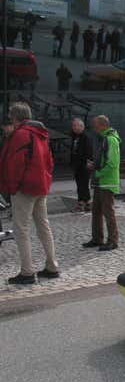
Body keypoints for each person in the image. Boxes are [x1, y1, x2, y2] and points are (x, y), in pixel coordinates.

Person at [0, 103, 59, 284]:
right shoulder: (40, 134)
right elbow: (49, 161)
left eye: (11, 117)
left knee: (21, 229)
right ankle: (52, 266)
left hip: (24, 189)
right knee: (43, 225)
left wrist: (10, 188)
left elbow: (14, 165)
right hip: (40, 186)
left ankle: (27, 271)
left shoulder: (20, 135)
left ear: (15, 117)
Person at [84, 115, 121, 252]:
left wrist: (97, 173)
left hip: (107, 183)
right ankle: (97, 238)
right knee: (96, 211)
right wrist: (95, 166)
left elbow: (112, 164)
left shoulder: (111, 140)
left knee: (108, 212)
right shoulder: (105, 138)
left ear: (103, 125)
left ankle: (113, 240)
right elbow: (106, 162)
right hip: (101, 182)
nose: (94, 128)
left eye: (96, 125)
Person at [70, 118, 93, 212]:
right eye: (73, 126)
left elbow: (88, 152)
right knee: (81, 184)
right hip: (77, 165)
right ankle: (87, 203)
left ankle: (81, 203)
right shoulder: (75, 137)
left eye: (76, 126)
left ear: (82, 126)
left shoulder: (85, 137)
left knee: (82, 185)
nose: (74, 128)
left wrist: (87, 163)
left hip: (83, 165)